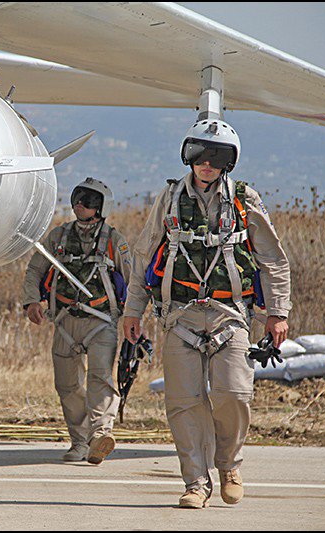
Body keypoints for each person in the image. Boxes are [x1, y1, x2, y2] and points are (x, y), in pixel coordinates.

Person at [122, 118, 291, 508]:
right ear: (188, 156)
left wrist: (276, 313)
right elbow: (143, 253)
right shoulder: (169, 199)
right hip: (179, 316)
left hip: (230, 314)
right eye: (198, 154)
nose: (206, 163)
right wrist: (133, 310)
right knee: (184, 401)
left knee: (233, 394)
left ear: (228, 162)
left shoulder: (244, 200)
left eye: (216, 156)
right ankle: (196, 483)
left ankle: (229, 465)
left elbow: (273, 259)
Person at [23, 178, 132, 464]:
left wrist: (135, 316)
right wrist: (31, 301)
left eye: (88, 200)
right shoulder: (57, 237)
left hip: (101, 322)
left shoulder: (114, 241)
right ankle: (80, 441)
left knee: (100, 378)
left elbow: (131, 280)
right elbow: (35, 268)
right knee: (67, 385)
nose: (80, 204)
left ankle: (100, 435)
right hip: (64, 321)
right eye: (77, 198)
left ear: (101, 206)